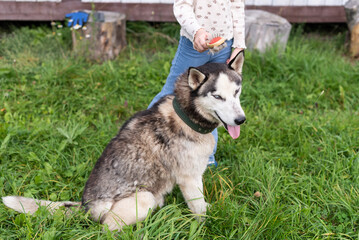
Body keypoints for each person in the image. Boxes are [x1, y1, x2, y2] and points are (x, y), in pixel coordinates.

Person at [148, 0, 246, 166]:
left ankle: (207, 156)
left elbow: (237, 5)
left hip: (224, 44)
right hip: (193, 47)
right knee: (169, 93)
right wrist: (197, 31)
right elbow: (182, 6)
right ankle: (146, 138)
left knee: (214, 102)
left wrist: (239, 44)